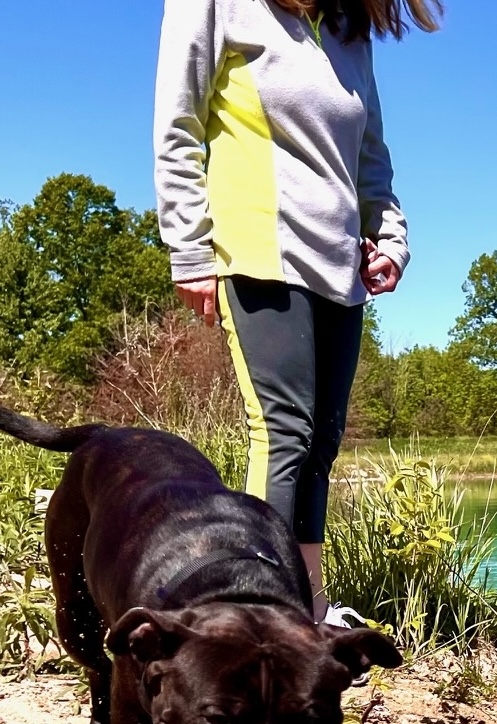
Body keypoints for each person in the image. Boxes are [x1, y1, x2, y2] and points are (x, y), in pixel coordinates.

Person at [153, 0, 440, 624]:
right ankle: (260, 614)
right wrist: (189, 249)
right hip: (257, 250)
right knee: (284, 434)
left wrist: (390, 238)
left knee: (320, 444)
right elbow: (178, 128)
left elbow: (371, 157)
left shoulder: (347, 30)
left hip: (340, 265)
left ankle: (306, 608)